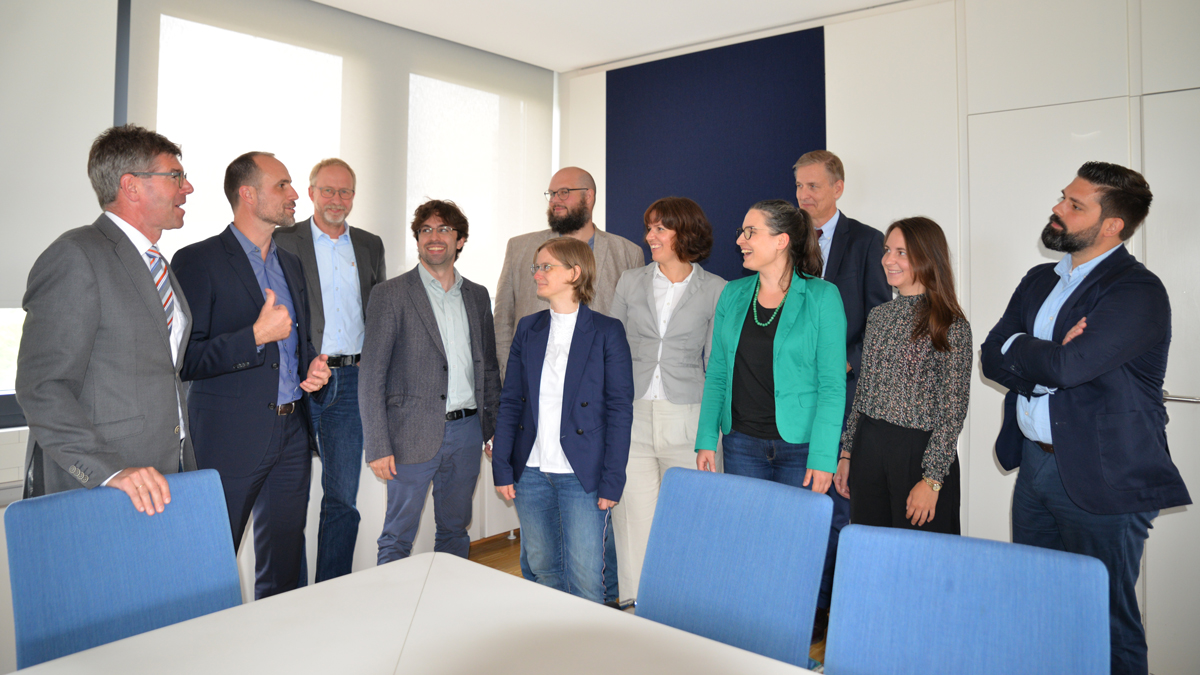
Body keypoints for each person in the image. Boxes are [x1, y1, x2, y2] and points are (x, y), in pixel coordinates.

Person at [980, 162, 1190, 675]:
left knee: (1107, 623)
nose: (1058, 209)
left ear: (1113, 224)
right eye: (1062, 198)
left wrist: (1025, 349)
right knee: (1040, 610)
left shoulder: (1136, 291)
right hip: (1035, 467)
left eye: (1075, 205)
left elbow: (1070, 367)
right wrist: (1042, 353)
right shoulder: (1038, 279)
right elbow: (990, 355)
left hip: (1103, 475)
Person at [173, 151, 331, 599]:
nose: (295, 193)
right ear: (247, 193)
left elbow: (296, 345)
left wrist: (313, 368)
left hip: (291, 433)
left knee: (283, 564)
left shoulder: (292, 264)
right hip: (228, 437)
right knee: (211, 562)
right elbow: (184, 361)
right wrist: (255, 335)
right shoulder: (196, 261)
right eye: (282, 185)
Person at [16, 124, 196, 512]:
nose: (188, 188)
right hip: (107, 486)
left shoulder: (155, 263)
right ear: (131, 186)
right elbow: (42, 387)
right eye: (175, 176)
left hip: (168, 474)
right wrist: (109, 472)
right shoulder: (75, 256)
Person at [493, 165, 639, 600]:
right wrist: (503, 464)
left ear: (575, 273)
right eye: (536, 266)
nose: (536, 273)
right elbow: (511, 402)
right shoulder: (528, 329)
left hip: (582, 474)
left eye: (546, 267)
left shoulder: (607, 331)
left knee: (584, 577)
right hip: (532, 471)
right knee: (541, 570)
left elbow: (619, 409)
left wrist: (612, 480)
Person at [695, 199, 846, 575]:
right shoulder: (733, 293)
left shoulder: (823, 297)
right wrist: (705, 439)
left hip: (801, 447)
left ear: (782, 241)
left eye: (751, 232)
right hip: (742, 442)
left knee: (797, 547)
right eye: (741, 233)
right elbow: (717, 373)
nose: (741, 240)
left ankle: (793, 626)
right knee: (745, 544)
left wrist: (825, 458)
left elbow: (832, 386)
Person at [359, 199, 500, 564]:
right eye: (426, 230)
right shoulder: (390, 295)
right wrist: (377, 444)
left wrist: (493, 428)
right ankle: (393, 616)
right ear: (417, 239)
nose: (434, 238)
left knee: (455, 529)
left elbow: (487, 367)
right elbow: (371, 374)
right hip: (410, 434)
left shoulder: (478, 295)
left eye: (444, 230)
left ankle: (448, 610)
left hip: (467, 432)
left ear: (461, 240)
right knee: (397, 537)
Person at [274, 158, 386, 582]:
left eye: (345, 192)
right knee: (290, 496)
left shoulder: (370, 244)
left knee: (342, 497)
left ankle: (331, 590)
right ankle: (291, 591)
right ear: (312, 192)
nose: (337, 199)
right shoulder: (284, 239)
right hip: (300, 379)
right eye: (328, 190)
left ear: (354, 196)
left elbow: (378, 312)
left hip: (353, 379)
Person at [793, 149, 890, 638]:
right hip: (791, 399)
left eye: (814, 186)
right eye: (799, 187)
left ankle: (834, 612)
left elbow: (880, 319)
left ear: (838, 187)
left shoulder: (869, 242)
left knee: (838, 507)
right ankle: (802, 604)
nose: (805, 196)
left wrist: (846, 357)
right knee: (798, 504)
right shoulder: (786, 241)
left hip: (845, 394)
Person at [609, 197, 725, 602]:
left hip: (690, 421)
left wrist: (711, 432)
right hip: (634, 419)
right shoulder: (629, 282)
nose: (649, 237)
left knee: (694, 524)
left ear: (685, 232)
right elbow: (613, 352)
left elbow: (716, 368)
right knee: (632, 525)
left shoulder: (717, 290)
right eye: (649, 228)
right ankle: (633, 610)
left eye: (660, 228)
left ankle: (689, 612)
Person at [832, 217, 970, 534]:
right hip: (869, 449)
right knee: (872, 554)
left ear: (927, 256)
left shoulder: (951, 325)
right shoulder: (879, 315)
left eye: (901, 252)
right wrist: (847, 453)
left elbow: (953, 411)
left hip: (919, 457)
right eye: (887, 250)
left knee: (922, 563)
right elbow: (864, 393)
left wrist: (933, 481)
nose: (887, 260)